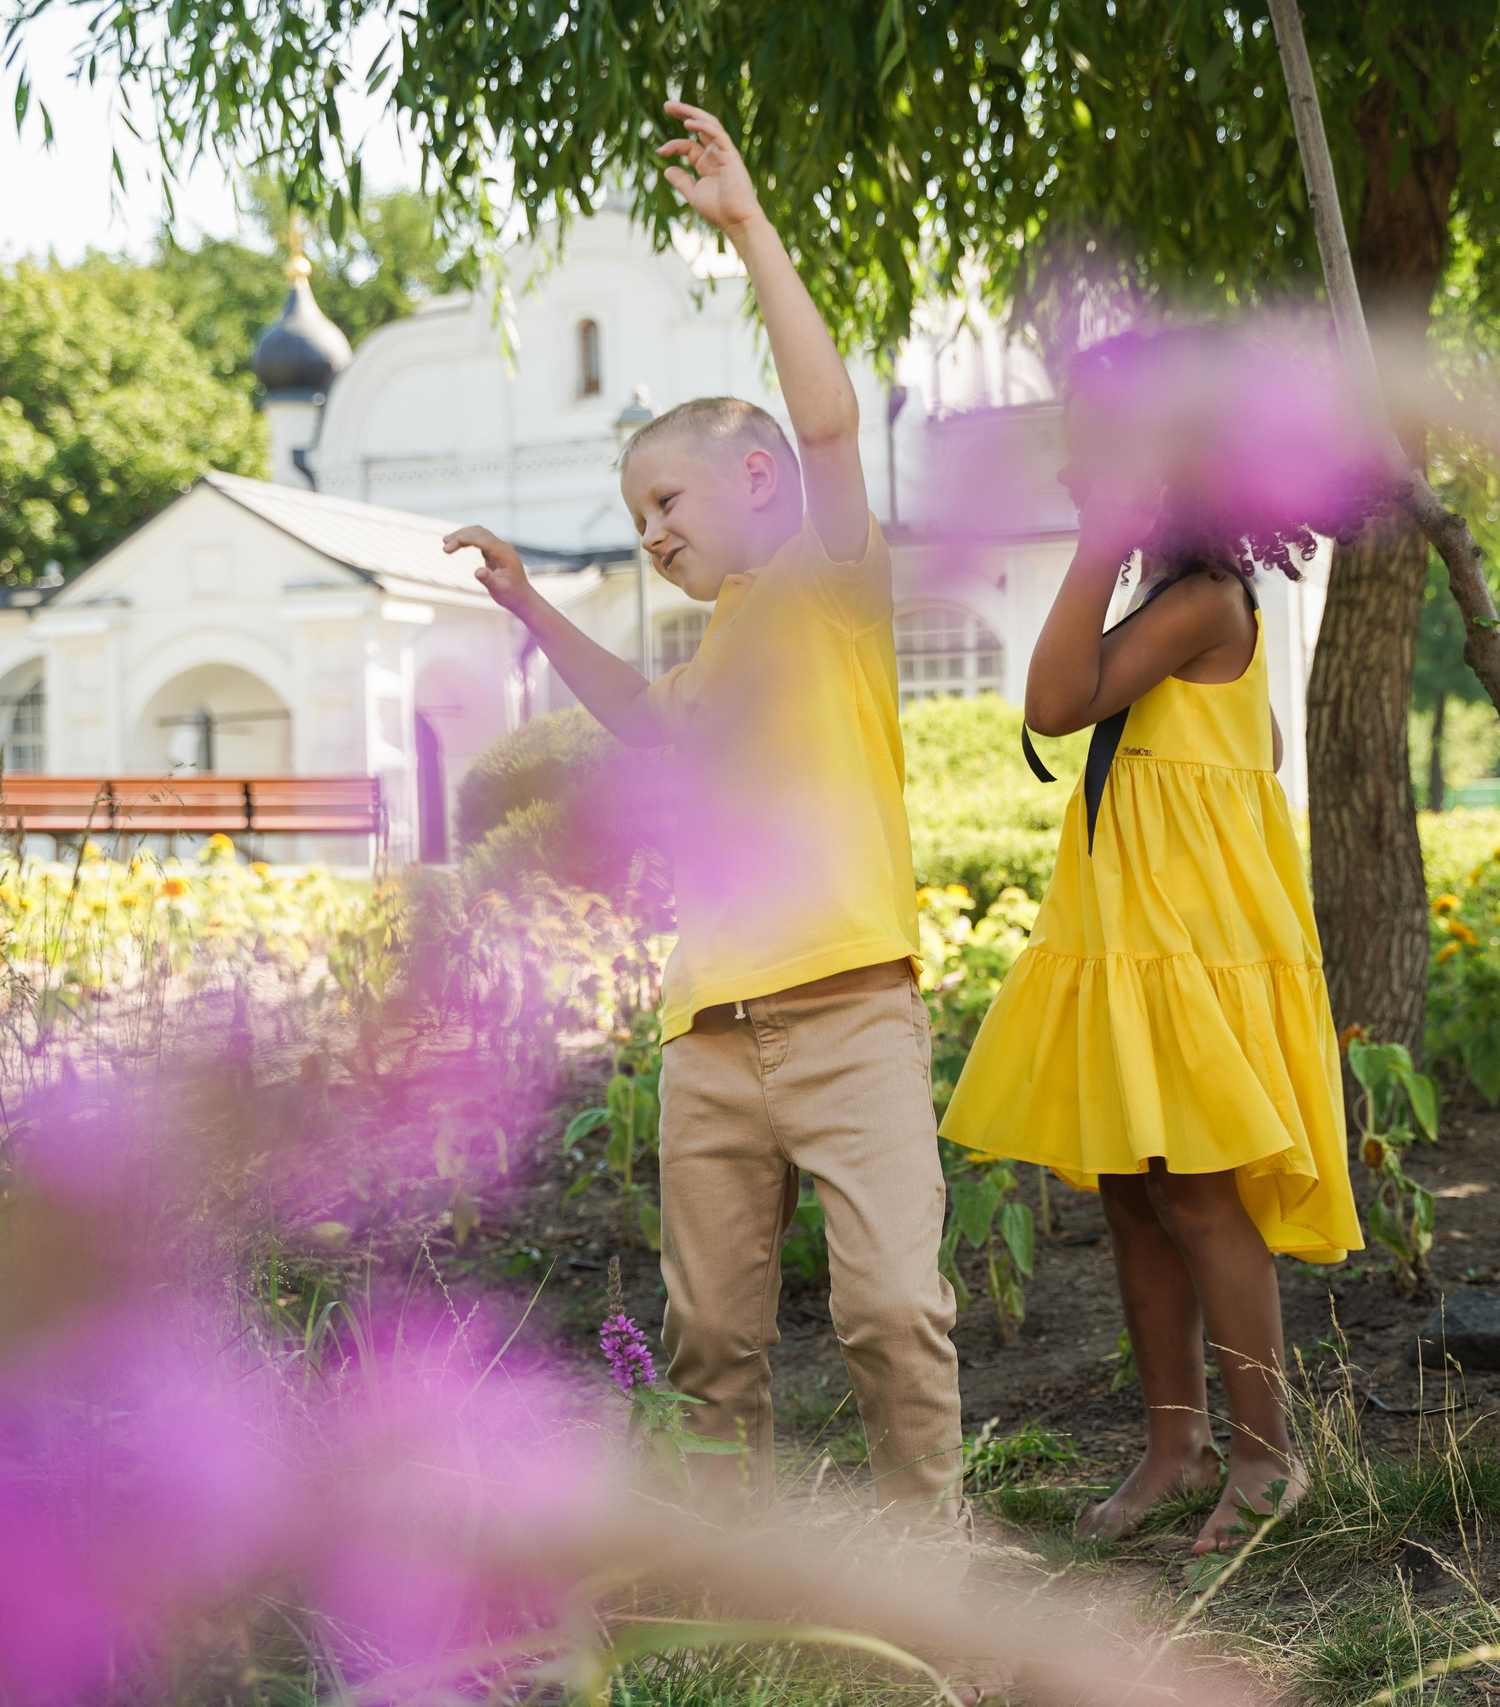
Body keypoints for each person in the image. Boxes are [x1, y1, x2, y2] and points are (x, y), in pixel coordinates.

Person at [445, 102, 960, 1527]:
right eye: (633, 515)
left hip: (854, 1017)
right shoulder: (721, 644)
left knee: (892, 1308)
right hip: (711, 1038)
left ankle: (931, 1559)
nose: (651, 529)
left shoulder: (828, 579)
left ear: (753, 479)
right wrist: (528, 599)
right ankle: (738, 1577)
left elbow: (830, 417)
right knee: (712, 1341)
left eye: (663, 496)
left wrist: (745, 226)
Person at [940, 328, 1364, 1555]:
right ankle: (1176, 1450)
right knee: (1132, 1190)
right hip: (1135, 919)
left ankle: (1267, 1463)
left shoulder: (1198, 600)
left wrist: (1094, 543)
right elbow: (1263, 748)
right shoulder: (1187, 601)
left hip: (1184, 933)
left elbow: (1055, 705)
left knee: (1196, 1189)